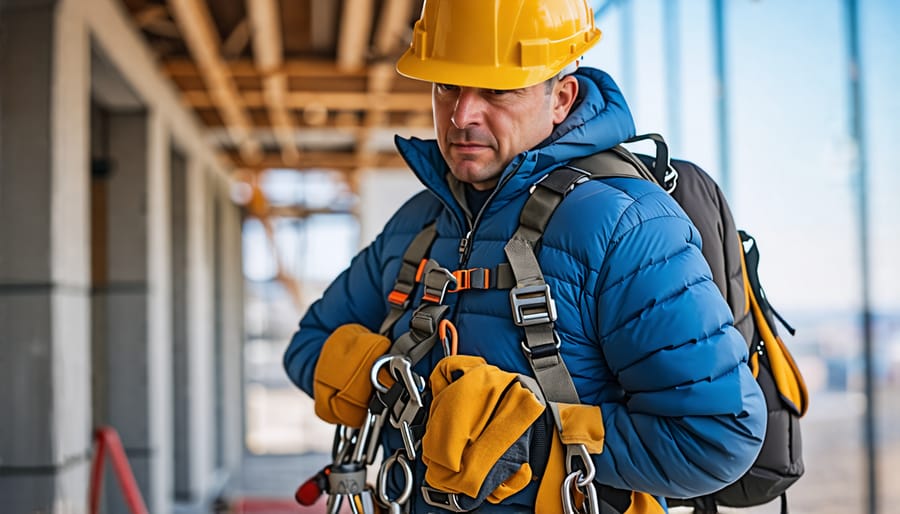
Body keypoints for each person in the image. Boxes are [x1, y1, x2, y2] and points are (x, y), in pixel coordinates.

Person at [284, 0, 766, 512]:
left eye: (496, 90)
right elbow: (308, 348)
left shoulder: (626, 226)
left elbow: (716, 435)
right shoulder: (419, 224)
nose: (463, 114)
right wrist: (391, 389)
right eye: (447, 85)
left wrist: (531, 441)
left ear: (561, 98)